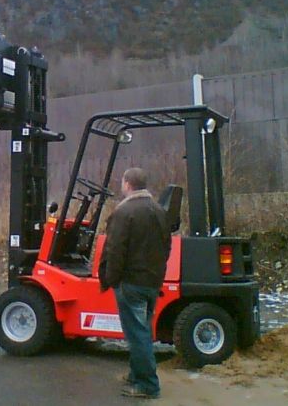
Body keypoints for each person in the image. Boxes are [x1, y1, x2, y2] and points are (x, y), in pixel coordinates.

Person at [99, 167, 171, 400]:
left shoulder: (124, 212)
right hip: (152, 281)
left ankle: (148, 385)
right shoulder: (159, 210)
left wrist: (111, 279)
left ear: (128, 184)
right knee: (142, 330)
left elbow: (115, 250)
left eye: (122, 182)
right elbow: (166, 246)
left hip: (131, 283)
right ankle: (135, 374)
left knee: (137, 335)